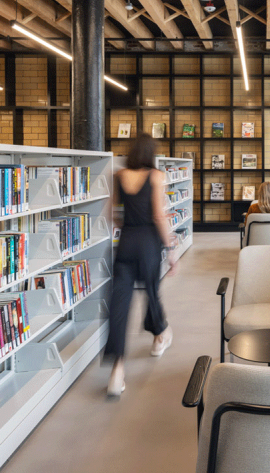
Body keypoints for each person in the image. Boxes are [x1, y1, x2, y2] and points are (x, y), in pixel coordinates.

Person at [103, 133, 177, 398]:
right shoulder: (156, 176)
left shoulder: (119, 175)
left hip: (127, 242)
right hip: (148, 242)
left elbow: (110, 213)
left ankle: (117, 371)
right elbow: (158, 215)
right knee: (151, 291)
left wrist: (127, 227)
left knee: (120, 304)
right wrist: (170, 249)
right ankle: (160, 335)